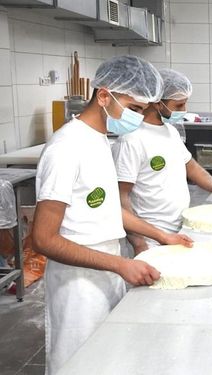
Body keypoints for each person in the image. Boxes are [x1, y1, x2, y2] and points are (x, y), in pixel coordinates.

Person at [31, 56, 179, 374]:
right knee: (79, 364)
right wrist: (120, 264)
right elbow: (43, 239)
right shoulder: (65, 148)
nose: (138, 118)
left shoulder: (98, 140)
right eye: (134, 108)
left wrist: (162, 235)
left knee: (108, 360)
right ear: (103, 95)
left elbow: (109, 208)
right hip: (78, 285)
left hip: (109, 269)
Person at [112, 68, 212, 254]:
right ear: (157, 103)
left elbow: (191, 167)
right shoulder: (132, 139)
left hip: (179, 229)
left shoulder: (170, 131)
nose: (184, 111)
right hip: (152, 239)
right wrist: (138, 243)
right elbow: (120, 197)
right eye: (178, 106)